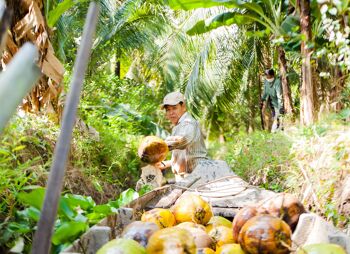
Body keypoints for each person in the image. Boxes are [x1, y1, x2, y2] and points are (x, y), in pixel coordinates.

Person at [156, 91, 208, 181]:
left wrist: (159, 146)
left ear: (183, 107)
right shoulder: (177, 126)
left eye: (174, 108)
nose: (171, 112)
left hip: (195, 176)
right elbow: (184, 155)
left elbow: (183, 140)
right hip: (185, 178)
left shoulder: (188, 123)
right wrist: (167, 163)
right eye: (168, 110)